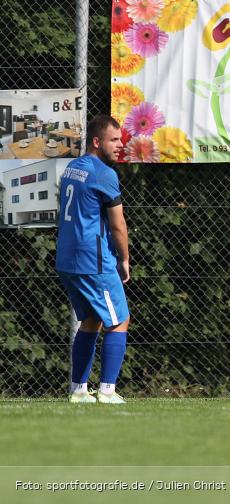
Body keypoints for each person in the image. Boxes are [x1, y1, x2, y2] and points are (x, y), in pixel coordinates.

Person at [56, 115, 130, 405]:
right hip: (93, 260)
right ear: (97, 142)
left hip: (67, 258)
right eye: (114, 140)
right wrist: (124, 259)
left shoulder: (73, 167)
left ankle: (78, 390)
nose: (119, 145)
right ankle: (108, 391)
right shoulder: (104, 174)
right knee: (120, 319)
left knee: (92, 319)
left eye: (121, 139)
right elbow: (118, 225)